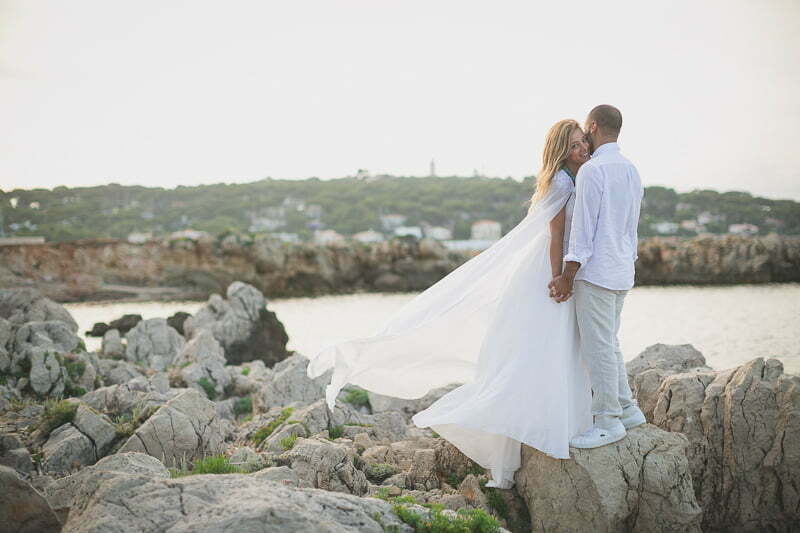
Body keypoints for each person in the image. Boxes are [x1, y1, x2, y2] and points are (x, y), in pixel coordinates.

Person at [306, 112, 641, 490]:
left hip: (582, 274)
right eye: (575, 145)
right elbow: (557, 236)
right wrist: (559, 278)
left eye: (584, 142)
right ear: (562, 152)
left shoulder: (586, 175)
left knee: (580, 346)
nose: (583, 150)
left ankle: (596, 415)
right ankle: (589, 417)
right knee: (570, 347)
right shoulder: (570, 182)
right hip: (559, 274)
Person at [549, 104, 647, 448]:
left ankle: (608, 421)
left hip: (597, 273)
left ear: (592, 126)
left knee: (597, 348)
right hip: (622, 270)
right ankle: (628, 409)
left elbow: (583, 232)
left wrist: (566, 275)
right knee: (610, 344)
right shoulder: (632, 170)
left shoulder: (593, 171)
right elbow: (629, 229)